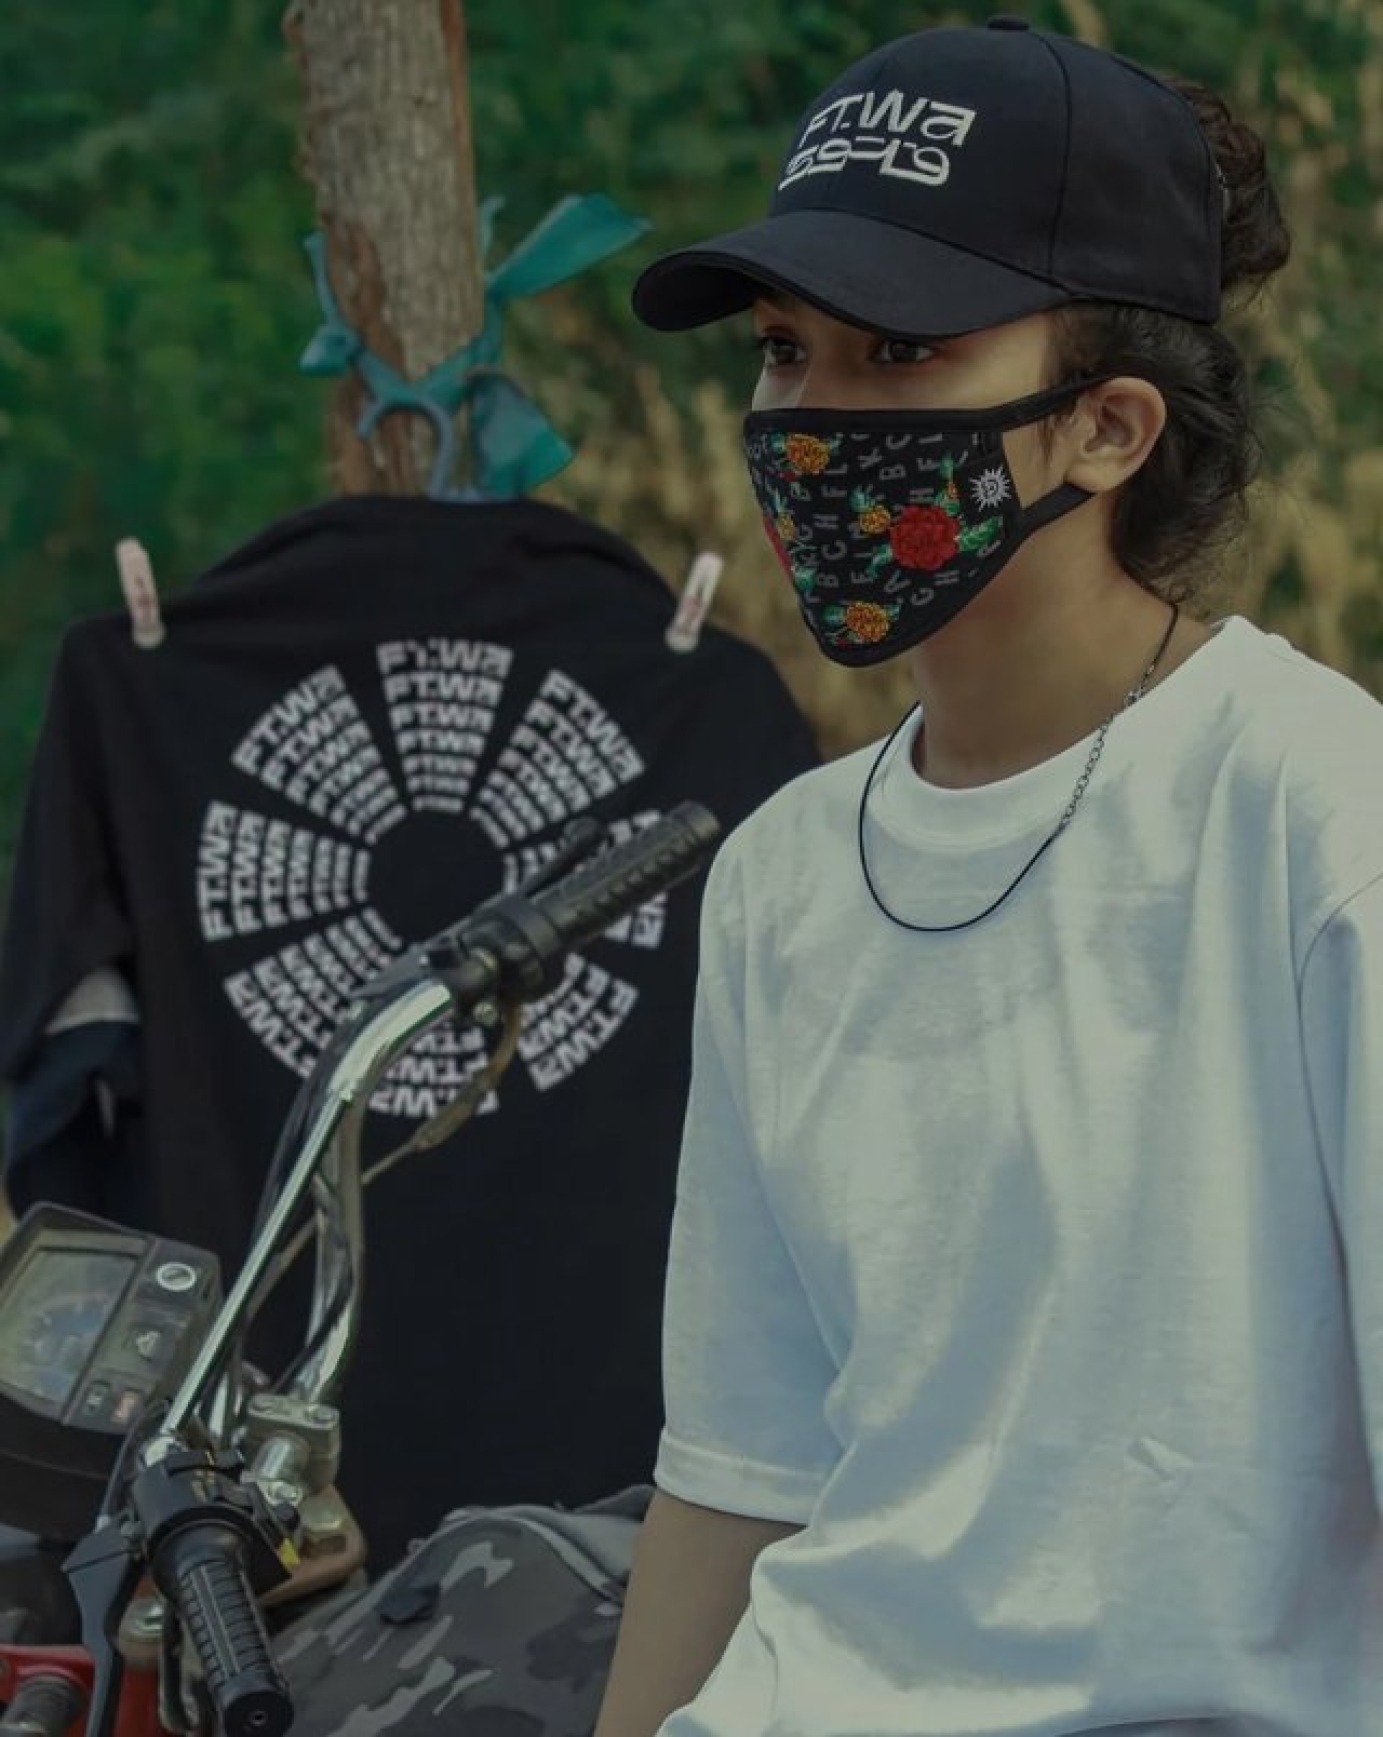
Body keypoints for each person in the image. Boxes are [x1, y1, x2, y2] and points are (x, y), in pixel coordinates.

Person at [593, 17, 1383, 1737]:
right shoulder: (784, 874)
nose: (810, 419)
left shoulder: (1318, 817)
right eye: (785, 352)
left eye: (897, 350)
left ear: (1108, 427)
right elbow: (739, 1472)